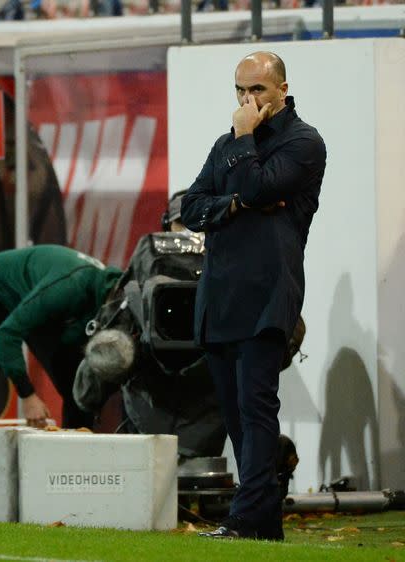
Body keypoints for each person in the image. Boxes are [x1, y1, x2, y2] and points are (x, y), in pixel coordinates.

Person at [181, 52, 326, 540]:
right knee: (236, 414)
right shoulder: (225, 144)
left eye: (258, 89)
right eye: (241, 90)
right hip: (220, 295)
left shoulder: (303, 142)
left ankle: (246, 517)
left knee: (257, 406)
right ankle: (262, 522)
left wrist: (245, 150)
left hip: (268, 294)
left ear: (283, 89)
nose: (248, 100)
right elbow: (191, 206)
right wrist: (236, 204)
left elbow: (258, 187)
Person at [73, 191, 227, 459]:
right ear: (168, 226)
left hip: (187, 429)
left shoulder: (232, 272)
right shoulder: (137, 288)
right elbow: (91, 384)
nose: (190, 235)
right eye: (185, 224)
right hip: (166, 426)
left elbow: (86, 393)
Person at [0, 245, 122, 429]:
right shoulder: (67, 288)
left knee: (76, 388)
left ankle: (76, 454)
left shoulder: (107, 297)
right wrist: (28, 396)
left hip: (31, 295)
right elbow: (6, 334)